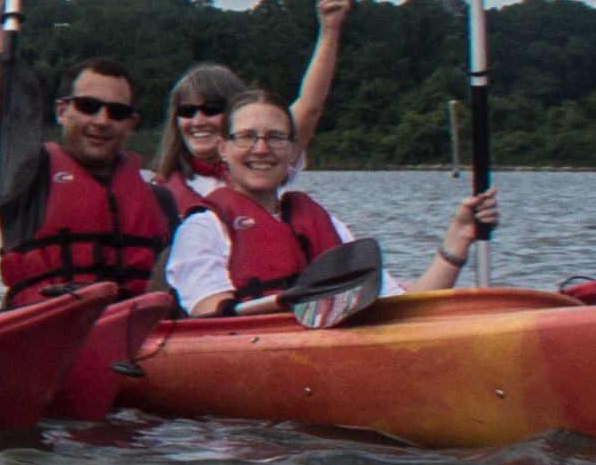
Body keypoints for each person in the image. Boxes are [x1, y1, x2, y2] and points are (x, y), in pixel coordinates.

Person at [167, 97, 497, 315]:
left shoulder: (328, 225)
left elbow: (402, 307)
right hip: (250, 349)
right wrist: (292, 303)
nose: (261, 148)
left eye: (276, 138)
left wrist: (458, 238)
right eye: (247, 137)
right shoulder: (202, 227)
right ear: (223, 148)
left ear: (292, 151)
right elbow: (209, 311)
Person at [0, 49, 178, 302]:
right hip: (46, 329)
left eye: (117, 112)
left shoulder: (161, 200)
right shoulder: (24, 179)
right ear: (61, 112)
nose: (102, 120)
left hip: (131, 332)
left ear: (131, 124)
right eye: (88, 106)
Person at [150, 0, 348, 206]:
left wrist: (329, 30)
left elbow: (310, 106)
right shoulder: (159, 192)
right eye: (187, 111)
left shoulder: (264, 161)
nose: (198, 121)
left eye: (212, 109)